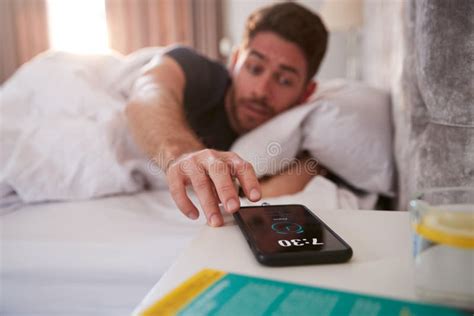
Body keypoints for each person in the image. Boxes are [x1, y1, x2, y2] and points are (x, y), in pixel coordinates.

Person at [125, 2, 328, 227]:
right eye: (254, 68)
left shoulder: (302, 133)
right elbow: (147, 92)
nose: (261, 90)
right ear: (234, 60)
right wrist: (181, 155)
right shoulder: (197, 70)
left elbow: (277, 186)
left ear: (306, 93)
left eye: (284, 80)